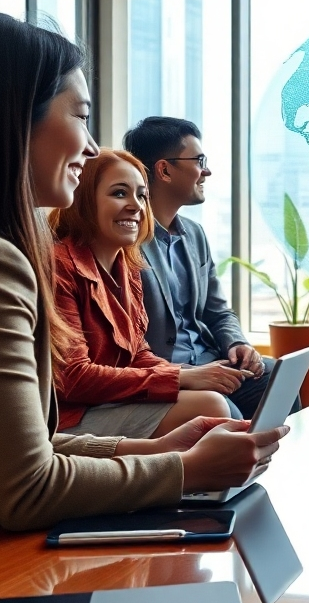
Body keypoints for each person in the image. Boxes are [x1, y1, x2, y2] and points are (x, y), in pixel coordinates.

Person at [0, 12, 286, 545]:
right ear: (12, 118)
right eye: (81, 117)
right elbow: (25, 487)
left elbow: (29, 448)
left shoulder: (110, 259)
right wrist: (187, 470)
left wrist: (157, 451)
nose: (89, 145)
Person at [50, 149, 255, 438]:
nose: (136, 206)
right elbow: (73, 378)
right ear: (85, 199)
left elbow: (139, 353)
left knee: (223, 399)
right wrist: (182, 376)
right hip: (73, 415)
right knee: (211, 406)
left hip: (111, 400)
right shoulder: (59, 265)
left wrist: (189, 376)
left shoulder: (128, 265)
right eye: (119, 193)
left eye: (141, 195)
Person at [123, 116, 281, 419]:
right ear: (165, 170)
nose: (206, 170)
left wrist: (237, 343)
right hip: (171, 373)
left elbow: (218, 311)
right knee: (228, 412)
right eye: (198, 160)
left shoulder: (194, 235)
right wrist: (187, 373)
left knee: (275, 377)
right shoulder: (126, 240)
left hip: (211, 358)